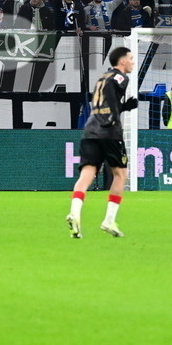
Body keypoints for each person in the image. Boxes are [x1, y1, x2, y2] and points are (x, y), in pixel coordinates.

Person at [66, 47, 138, 238]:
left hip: (90, 129)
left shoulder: (101, 78)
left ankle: (74, 213)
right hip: (109, 130)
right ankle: (109, 220)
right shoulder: (120, 77)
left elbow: (105, 101)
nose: (132, 62)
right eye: (130, 58)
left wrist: (123, 107)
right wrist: (116, 115)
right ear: (122, 62)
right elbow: (112, 100)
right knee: (121, 174)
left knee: (87, 173)